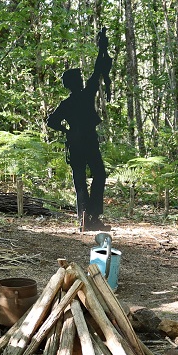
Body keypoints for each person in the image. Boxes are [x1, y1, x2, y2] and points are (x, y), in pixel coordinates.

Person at [47, 28, 113, 232]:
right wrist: (101, 49)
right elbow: (97, 70)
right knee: (96, 175)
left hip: (76, 141)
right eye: (79, 78)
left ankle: (87, 218)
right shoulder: (85, 95)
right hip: (87, 141)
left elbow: (52, 121)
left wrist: (67, 130)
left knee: (82, 180)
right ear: (75, 82)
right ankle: (90, 217)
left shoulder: (67, 103)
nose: (82, 80)